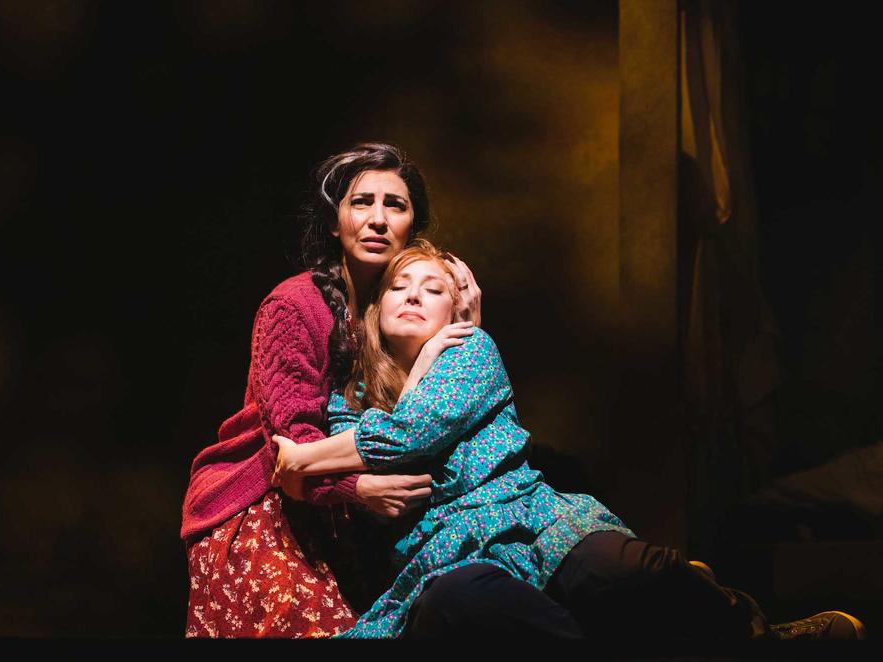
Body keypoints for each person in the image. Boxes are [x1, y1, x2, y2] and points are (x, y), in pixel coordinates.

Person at [271, 239, 867, 641]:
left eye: (433, 289)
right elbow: (367, 457)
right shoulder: (346, 403)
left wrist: (301, 457)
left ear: (456, 310)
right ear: (375, 312)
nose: (414, 296)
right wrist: (323, 462)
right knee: (465, 602)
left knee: (631, 569)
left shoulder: (470, 351)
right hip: (444, 558)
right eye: (401, 288)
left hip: (531, 520)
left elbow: (408, 437)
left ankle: (763, 636)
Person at [180, 144, 482, 638]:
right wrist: (357, 489)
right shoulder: (294, 306)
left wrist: (466, 327)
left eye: (396, 205)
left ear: (414, 227)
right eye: (362, 202)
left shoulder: (406, 309)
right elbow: (292, 448)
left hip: (355, 524)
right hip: (262, 507)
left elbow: (439, 419)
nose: (378, 219)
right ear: (335, 223)